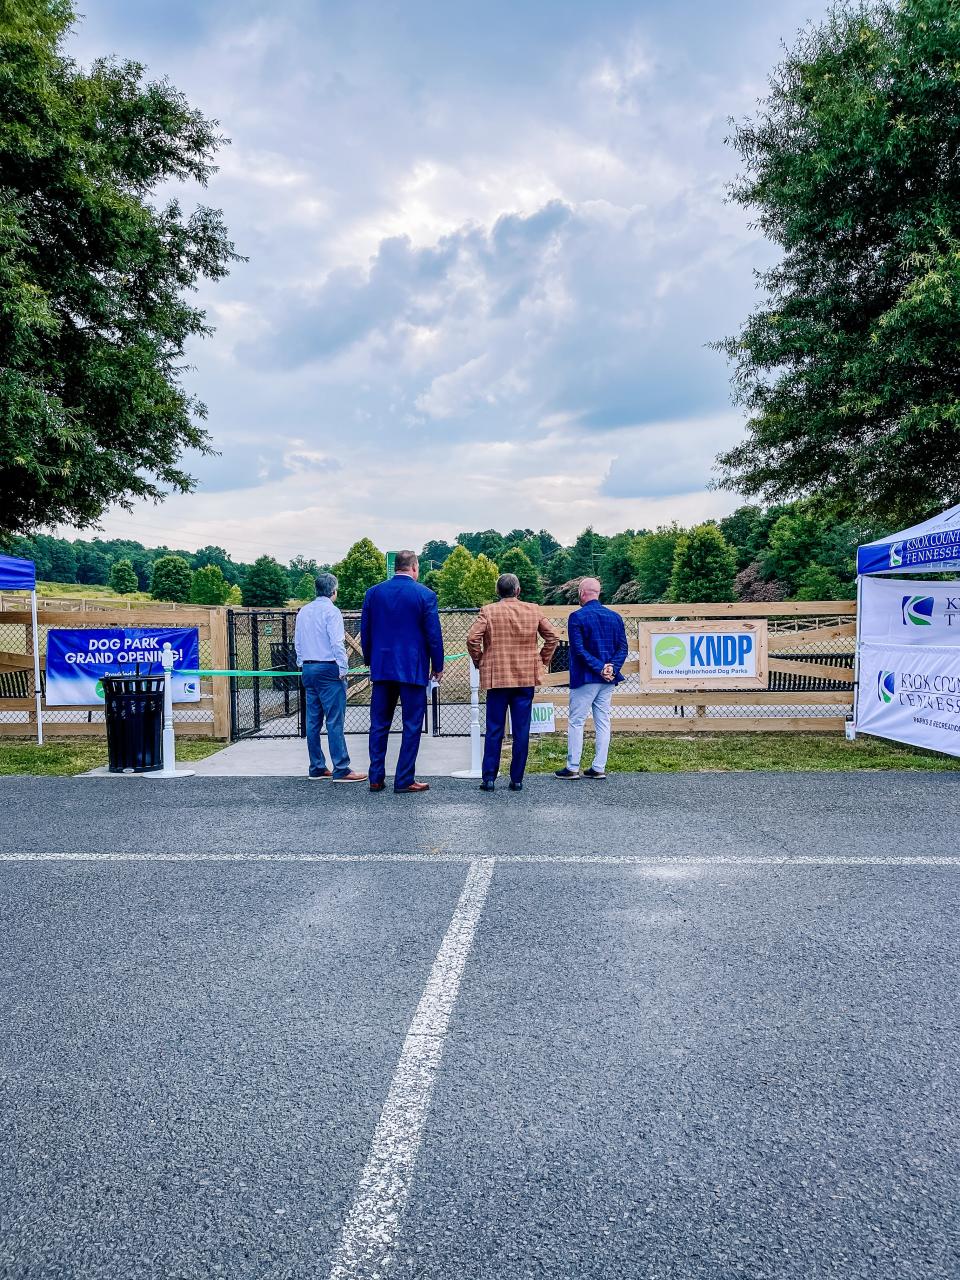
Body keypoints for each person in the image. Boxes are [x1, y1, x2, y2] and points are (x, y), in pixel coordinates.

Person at [361, 549, 444, 794]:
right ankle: (404, 778)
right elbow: (434, 635)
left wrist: (369, 660)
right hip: (412, 668)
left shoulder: (373, 594)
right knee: (412, 724)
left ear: (395, 567)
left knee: (378, 724)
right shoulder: (425, 595)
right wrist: (437, 666)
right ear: (414, 567)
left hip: (382, 667)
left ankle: (376, 777)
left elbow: (366, 631)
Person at [467, 572, 558, 792]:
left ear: (498, 591)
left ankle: (488, 778)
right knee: (521, 730)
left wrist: (480, 660)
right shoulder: (533, 609)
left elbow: (472, 639)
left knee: (494, 729)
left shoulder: (488, 611)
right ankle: (516, 779)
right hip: (525, 677)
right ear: (518, 591)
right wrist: (541, 660)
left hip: (497, 678)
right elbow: (552, 637)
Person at [294, 572, 366, 782]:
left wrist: (302, 663)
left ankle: (316, 766)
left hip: (308, 667)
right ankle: (341, 768)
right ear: (333, 590)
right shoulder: (332, 612)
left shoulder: (304, 612)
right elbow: (337, 643)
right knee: (335, 720)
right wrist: (343, 669)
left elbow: (297, 641)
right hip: (328, 669)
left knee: (313, 720)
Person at [555, 576, 628, 780]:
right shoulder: (615, 617)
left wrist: (598, 667)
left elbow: (578, 650)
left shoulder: (576, 617)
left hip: (586, 677)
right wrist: (610, 667)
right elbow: (623, 648)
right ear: (598, 592)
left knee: (577, 721)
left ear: (581, 593)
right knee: (603, 721)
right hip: (607, 680)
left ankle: (572, 767)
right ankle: (599, 766)